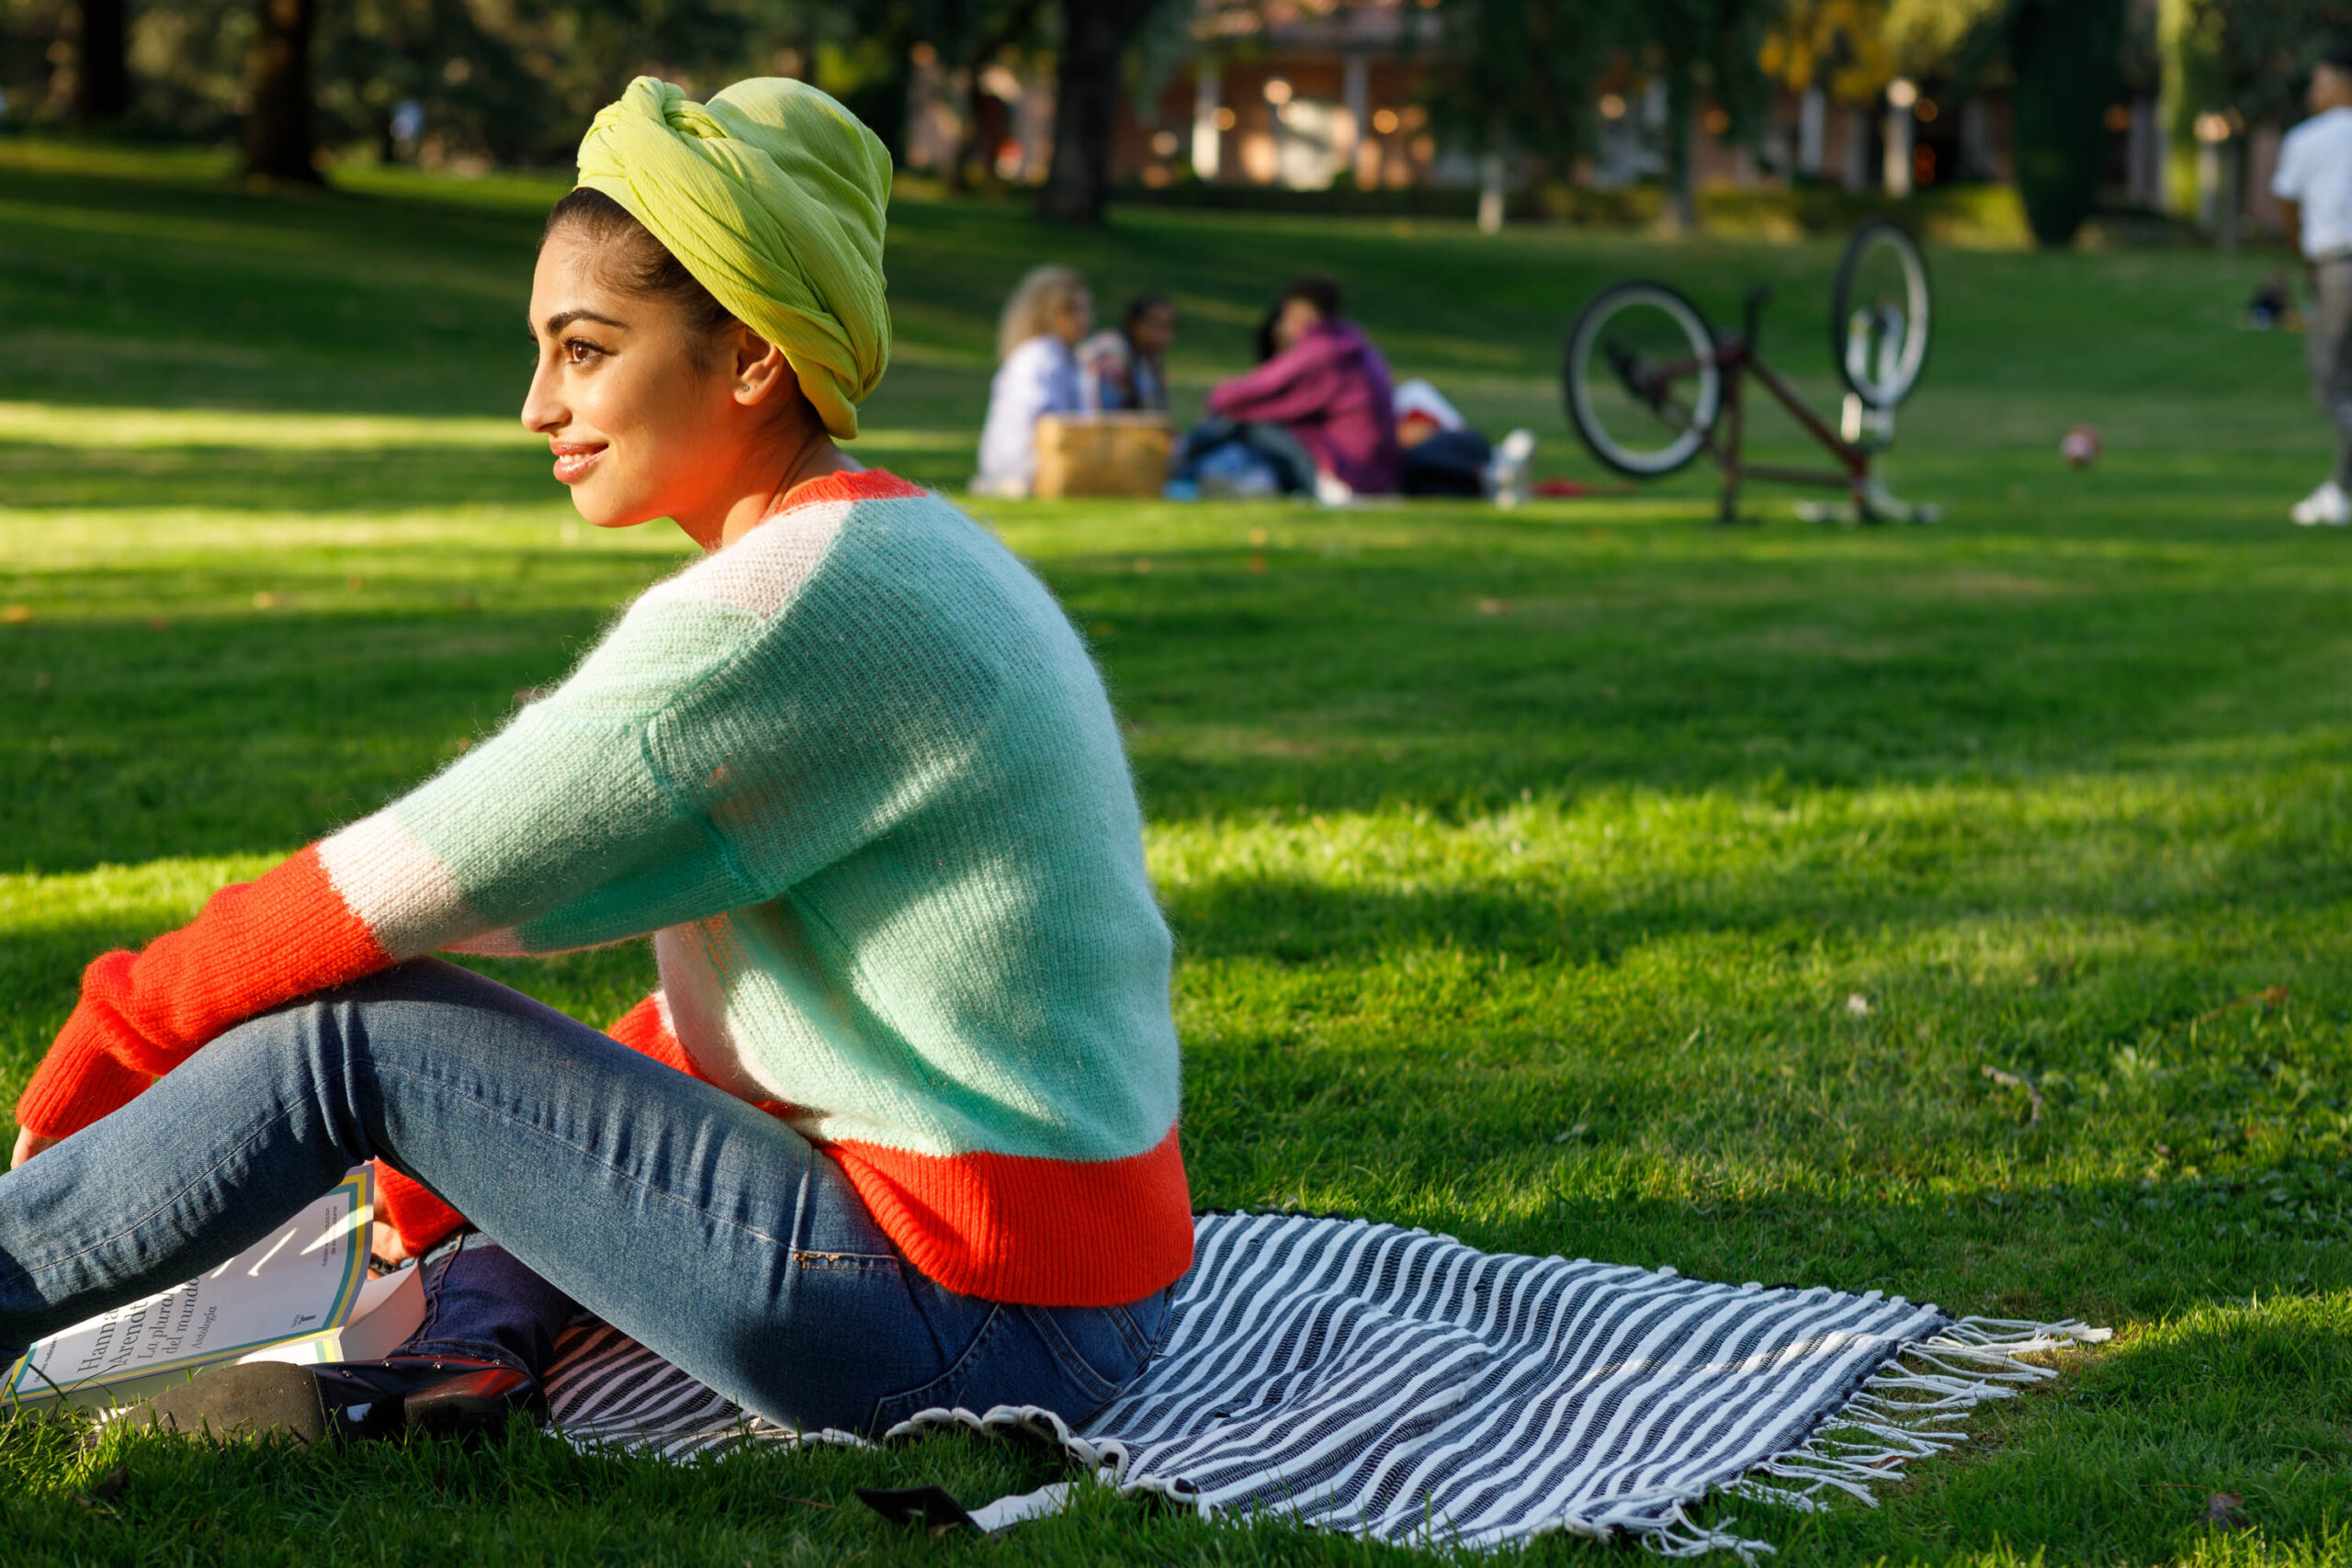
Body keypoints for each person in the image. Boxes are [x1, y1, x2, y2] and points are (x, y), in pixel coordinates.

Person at [1, 76, 1190, 1446]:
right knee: (455, 1101)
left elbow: (403, 880)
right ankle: (456, 1367)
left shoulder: (796, 601)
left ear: (749, 357)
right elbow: (738, 1033)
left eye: (582, 348)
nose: (534, 405)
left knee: (349, 1031)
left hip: (977, 1315)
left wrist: (129, 1021)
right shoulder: (892, 549)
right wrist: (455, 1169)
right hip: (1068, 1286)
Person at [1173, 276, 1401, 502]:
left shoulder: (1323, 349)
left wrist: (1222, 398)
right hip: (1370, 473)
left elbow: (1245, 392)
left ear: (1301, 314)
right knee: (1249, 420)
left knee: (1242, 422)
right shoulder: (1352, 343)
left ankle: (1175, 466)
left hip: (1345, 472)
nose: (1283, 326)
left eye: (1287, 317)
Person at [2274, 44, 2352, 525]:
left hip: (2337, 265)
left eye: (2320, 82)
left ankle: (2340, 492)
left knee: (2332, 385)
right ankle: (2341, 488)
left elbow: (2287, 202)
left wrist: (2302, 256)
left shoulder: (2309, 139)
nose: (2313, 92)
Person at [970, 265, 1093, 497]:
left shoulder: (1066, 358)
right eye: (1072, 311)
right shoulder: (1039, 358)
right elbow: (1032, 425)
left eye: (1086, 310)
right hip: (1021, 476)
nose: (1084, 320)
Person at [1391, 378, 1539, 506]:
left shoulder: (1411, 394)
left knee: (1417, 458)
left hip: (1465, 449)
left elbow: (1456, 431)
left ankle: (1497, 471)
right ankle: (1496, 482)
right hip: (1434, 478)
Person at [1077, 294, 1177, 412]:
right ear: (1135, 324)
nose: (1166, 337)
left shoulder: (1145, 360)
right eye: (1158, 326)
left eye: (1170, 327)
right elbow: (1107, 415)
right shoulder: (1110, 358)